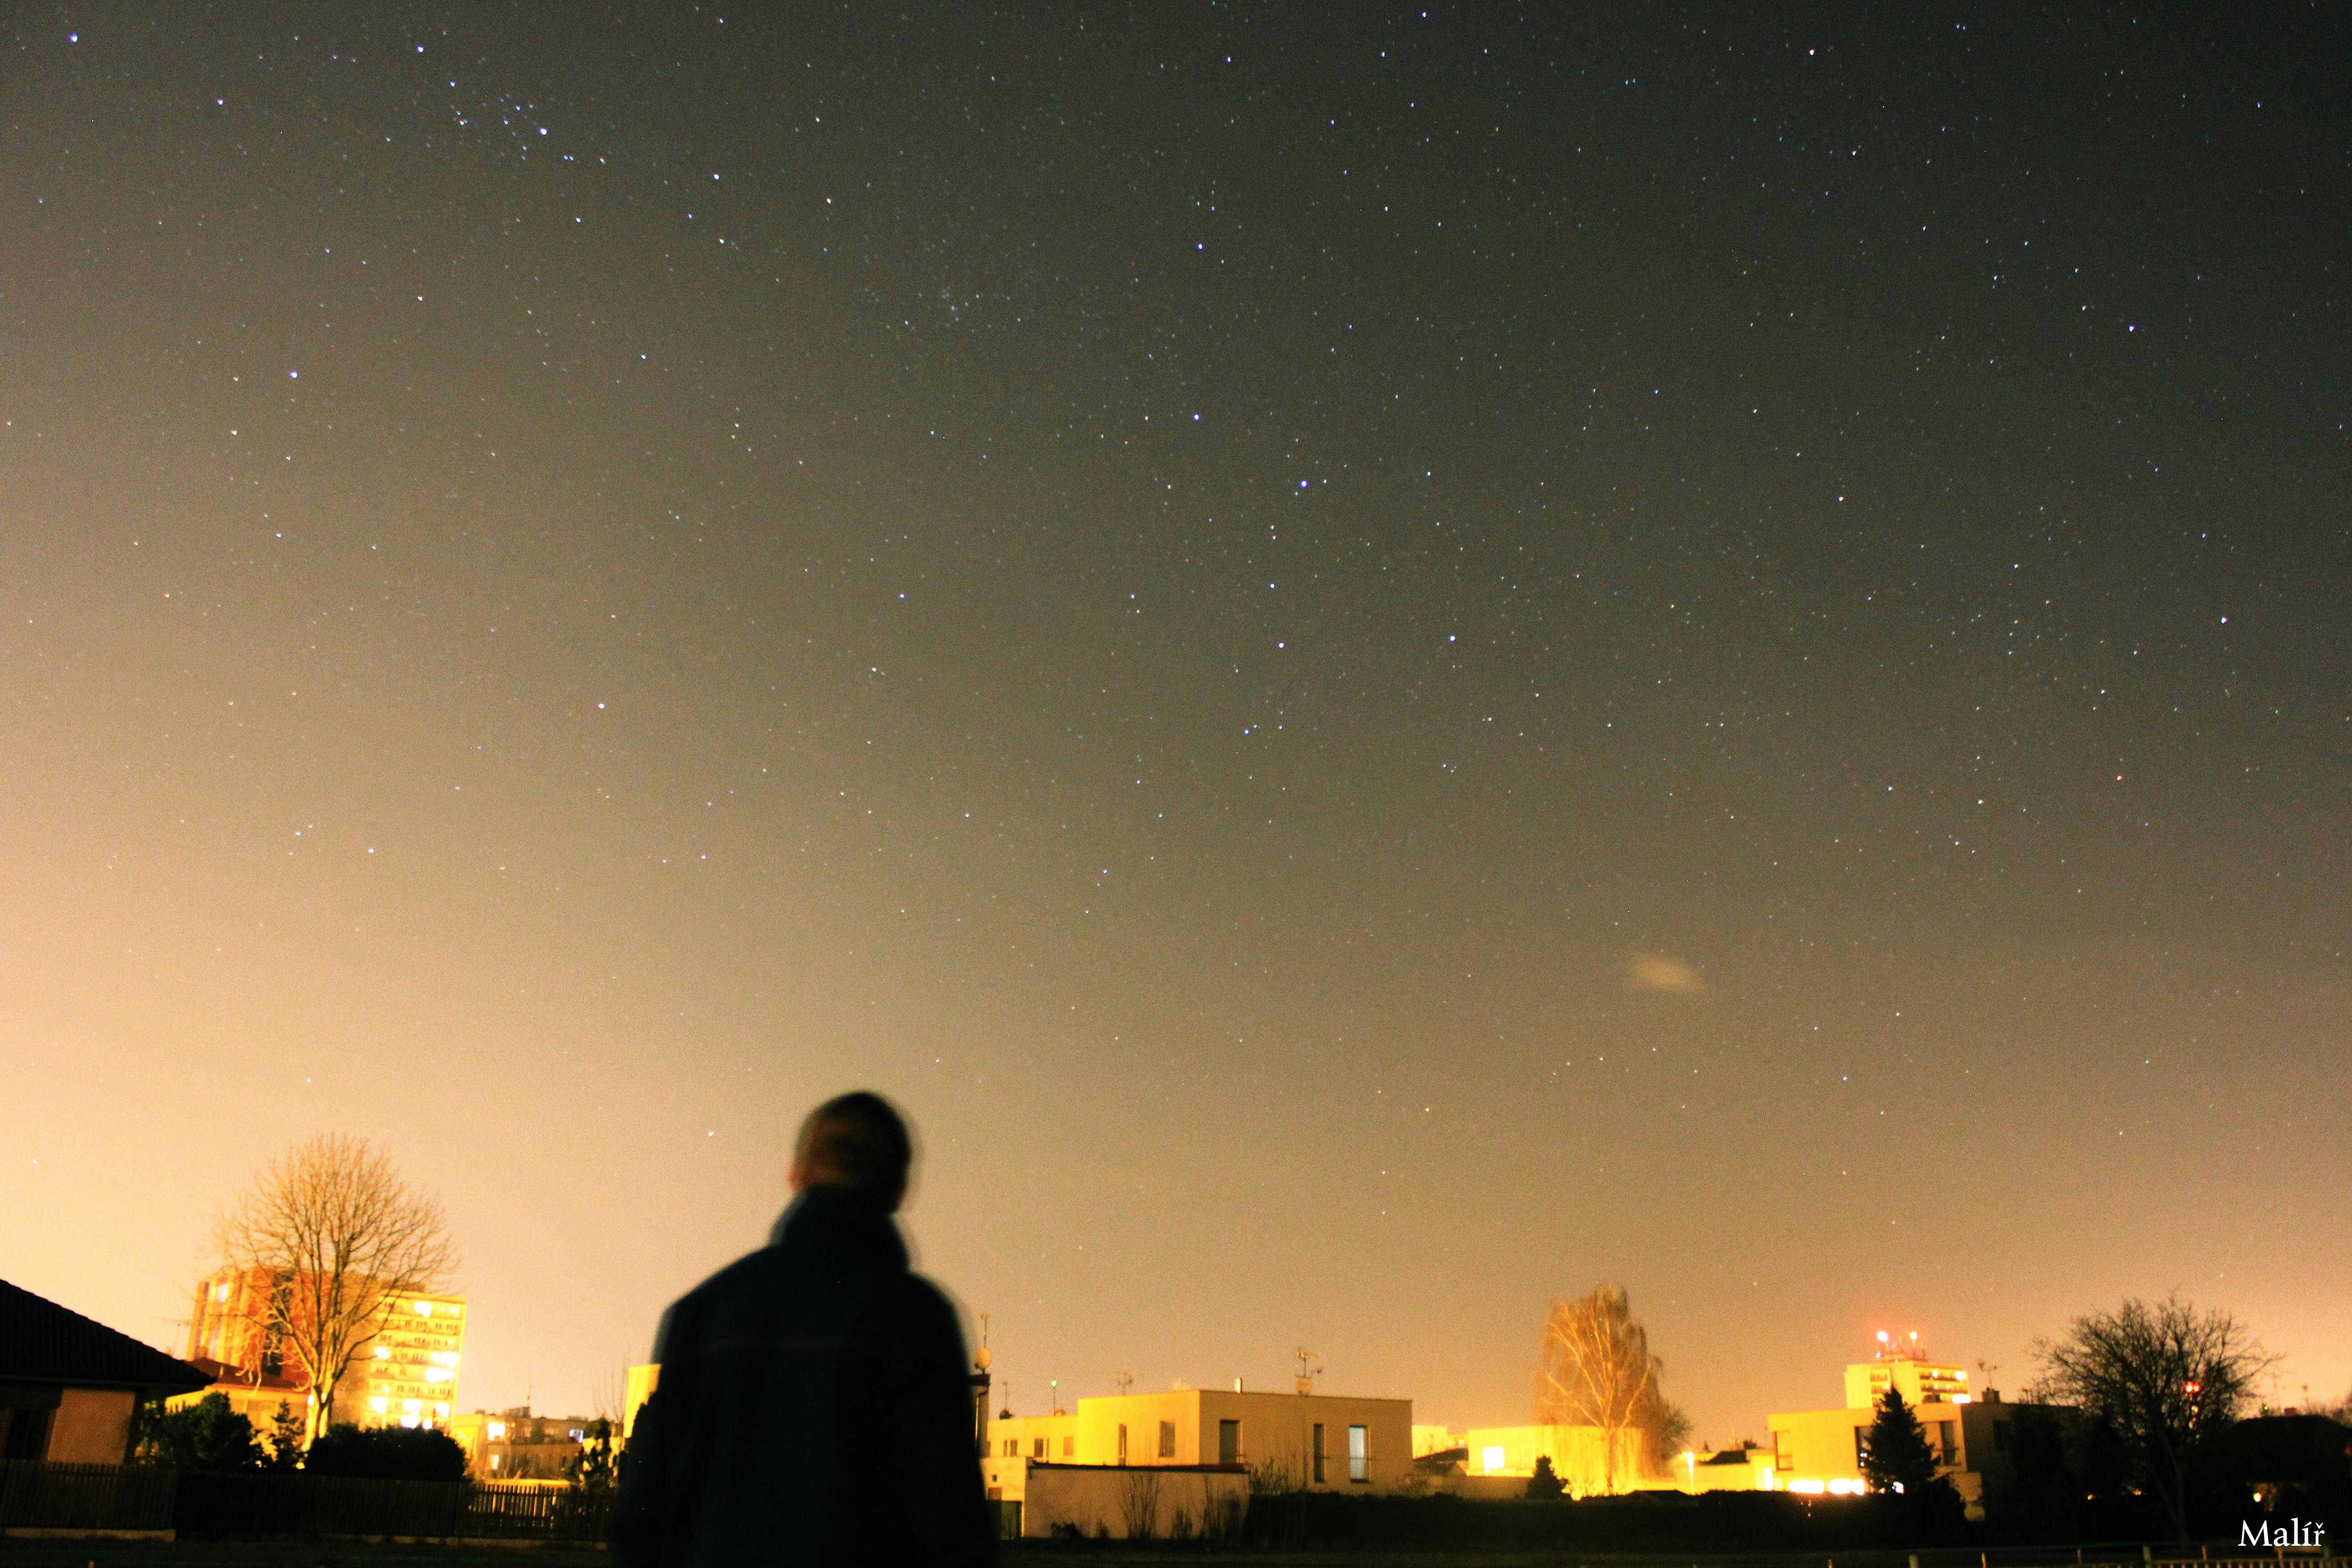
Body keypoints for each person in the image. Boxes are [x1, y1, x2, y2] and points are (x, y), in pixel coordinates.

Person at [614, 1092, 991, 1568]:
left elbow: (642, 1519)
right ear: (901, 1188)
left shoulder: (701, 1314)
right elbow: (952, 1529)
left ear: (796, 1177)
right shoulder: (916, 1320)